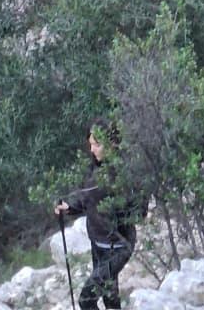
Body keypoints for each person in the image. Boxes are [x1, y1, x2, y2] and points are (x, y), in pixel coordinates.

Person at [54, 126, 141, 310]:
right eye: (91, 145)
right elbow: (87, 199)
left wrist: (118, 210)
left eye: (96, 144)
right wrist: (69, 208)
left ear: (112, 144)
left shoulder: (124, 172)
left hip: (118, 246)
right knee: (110, 297)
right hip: (98, 244)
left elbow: (139, 210)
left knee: (86, 300)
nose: (92, 149)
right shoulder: (94, 167)